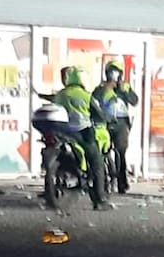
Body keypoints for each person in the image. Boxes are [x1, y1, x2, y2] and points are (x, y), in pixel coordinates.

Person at [54, 66, 112, 210]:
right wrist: (107, 118)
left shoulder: (61, 95)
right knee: (97, 163)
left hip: (64, 134)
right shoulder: (86, 95)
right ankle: (100, 200)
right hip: (83, 133)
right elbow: (98, 114)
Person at [94, 60, 139, 194]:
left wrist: (126, 91)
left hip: (121, 122)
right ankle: (103, 181)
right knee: (103, 151)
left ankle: (122, 183)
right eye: (111, 72)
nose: (113, 75)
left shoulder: (124, 87)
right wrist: (105, 90)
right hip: (105, 122)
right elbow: (93, 100)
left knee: (121, 152)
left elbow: (134, 101)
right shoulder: (101, 88)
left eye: (116, 72)